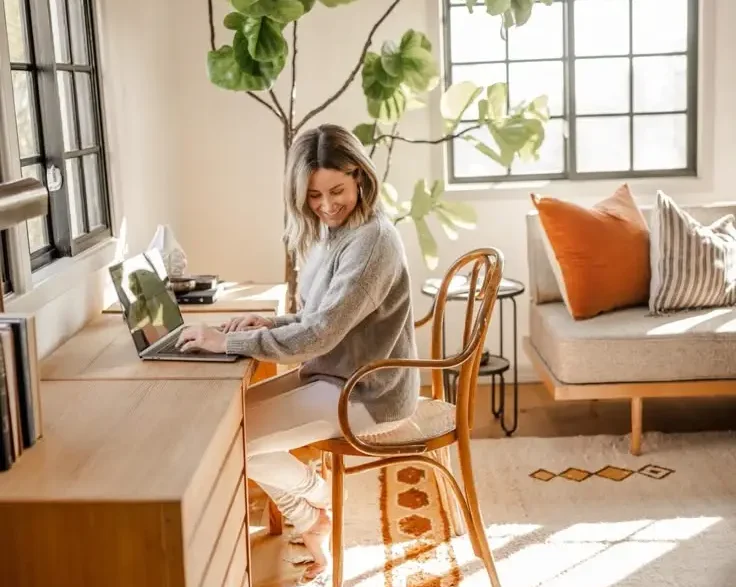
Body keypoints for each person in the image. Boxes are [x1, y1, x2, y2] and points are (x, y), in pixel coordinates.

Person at [175, 123, 420, 584]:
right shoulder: (338, 232)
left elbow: (321, 333)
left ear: (361, 177)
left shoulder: (371, 243)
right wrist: (267, 323)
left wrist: (225, 341)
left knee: (231, 443)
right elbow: (317, 319)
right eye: (313, 196)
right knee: (227, 422)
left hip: (366, 392)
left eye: (337, 190)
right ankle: (313, 515)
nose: (326, 206)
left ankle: (317, 507)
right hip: (335, 374)